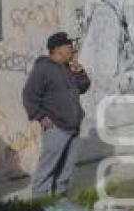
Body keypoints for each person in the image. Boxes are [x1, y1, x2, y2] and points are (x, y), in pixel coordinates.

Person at [22, 32, 90, 197]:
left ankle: (59, 200)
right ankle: (40, 203)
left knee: (66, 168)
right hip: (56, 127)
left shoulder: (69, 67)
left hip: (73, 126)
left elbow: (84, 87)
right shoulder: (43, 68)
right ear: (58, 48)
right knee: (48, 168)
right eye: (69, 46)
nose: (72, 49)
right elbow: (29, 95)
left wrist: (79, 72)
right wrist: (40, 116)